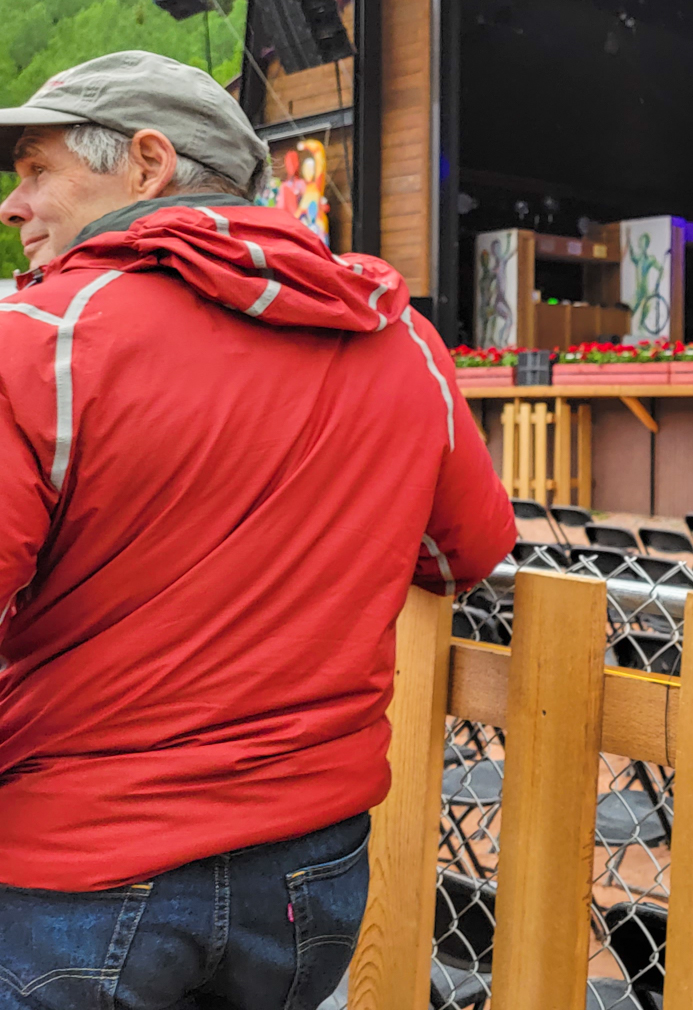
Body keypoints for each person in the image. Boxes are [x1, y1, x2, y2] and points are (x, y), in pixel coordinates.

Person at [0, 51, 514, 1008]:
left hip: (80, 864)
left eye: (36, 170)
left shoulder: (42, 340)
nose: (13, 204)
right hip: (309, 872)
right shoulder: (397, 336)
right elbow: (462, 556)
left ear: (147, 165)